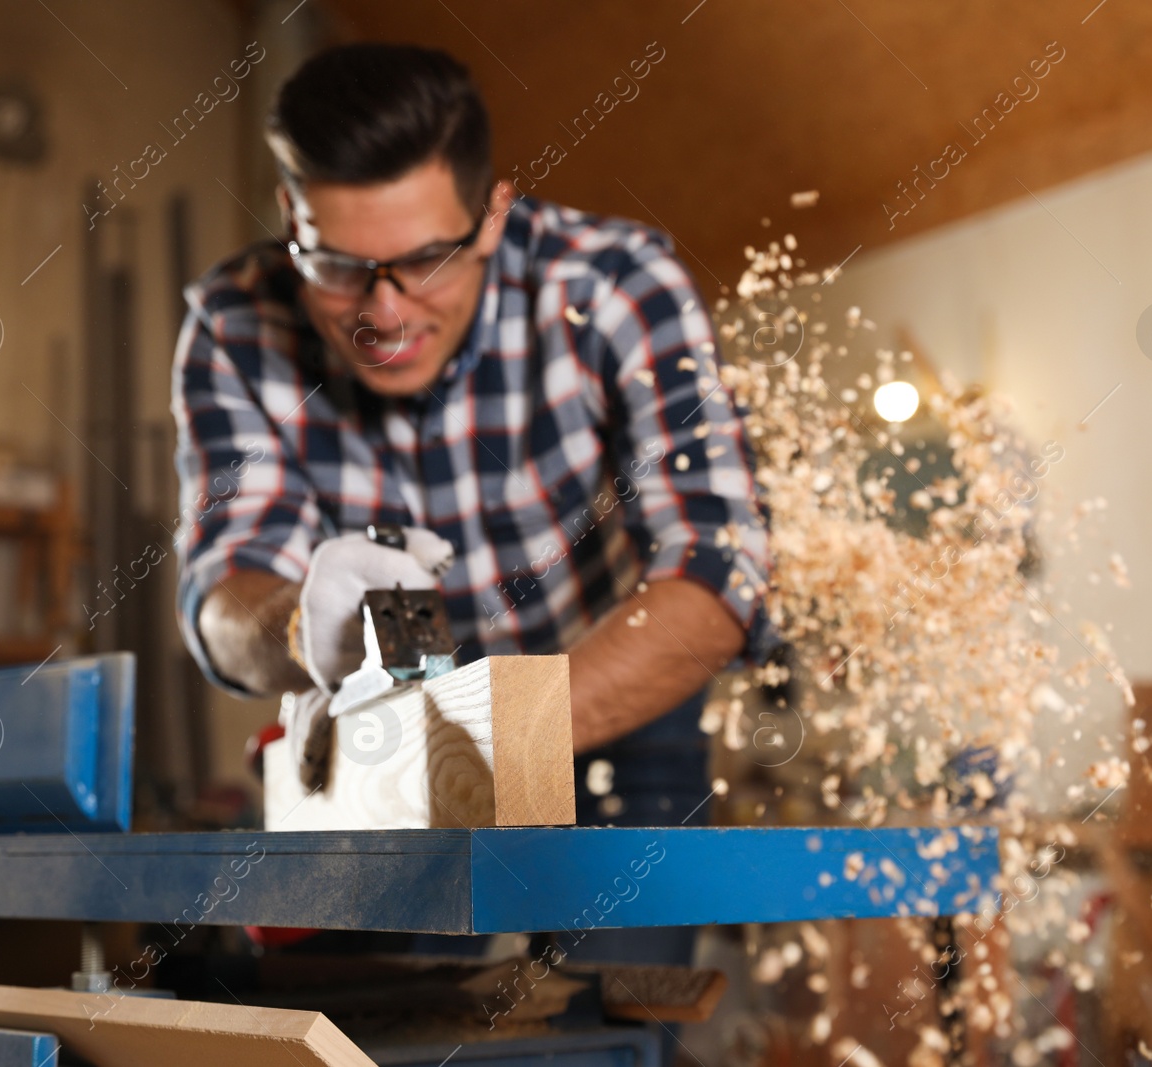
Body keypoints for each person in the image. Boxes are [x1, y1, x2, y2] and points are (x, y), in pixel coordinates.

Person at [170, 42, 773, 961]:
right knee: (381, 1038)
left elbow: (717, 573)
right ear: (291, 215)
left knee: (613, 1028)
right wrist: (298, 625)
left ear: (493, 214)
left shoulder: (614, 286)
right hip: (384, 757)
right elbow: (221, 603)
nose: (385, 311)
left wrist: (480, 739)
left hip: (613, 724)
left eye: (424, 261)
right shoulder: (233, 324)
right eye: (337, 265)